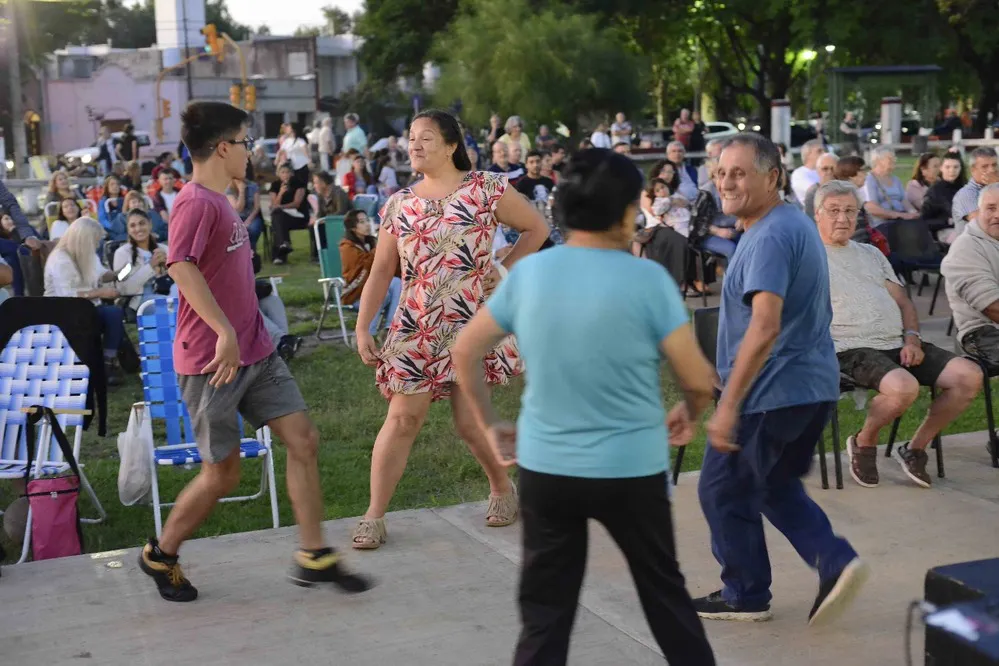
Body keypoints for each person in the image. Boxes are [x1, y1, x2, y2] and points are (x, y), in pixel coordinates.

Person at [451, 148, 717, 666]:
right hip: (632, 469)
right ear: (625, 214)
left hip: (549, 469)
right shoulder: (647, 281)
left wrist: (490, 424)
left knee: (546, 614)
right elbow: (697, 379)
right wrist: (689, 408)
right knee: (665, 598)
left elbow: (465, 349)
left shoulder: (530, 276)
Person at [138, 101, 370, 602]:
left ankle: (314, 555)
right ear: (223, 147)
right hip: (212, 362)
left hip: (257, 352)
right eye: (245, 141)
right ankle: (162, 553)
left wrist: (242, 331)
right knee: (222, 473)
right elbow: (180, 266)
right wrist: (222, 330)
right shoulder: (195, 202)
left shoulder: (221, 200)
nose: (252, 150)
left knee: (303, 439)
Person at [350, 109, 549, 550]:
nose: (414, 145)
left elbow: (537, 227)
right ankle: (373, 515)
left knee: (469, 420)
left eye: (424, 138)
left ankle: (502, 489)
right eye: (410, 138)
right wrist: (364, 326)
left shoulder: (485, 188)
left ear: (451, 145)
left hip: (470, 321)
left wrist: (505, 266)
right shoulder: (399, 203)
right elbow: (382, 270)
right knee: (402, 418)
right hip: (416, 325)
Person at [693, 133, 868, 625]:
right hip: (808, 387)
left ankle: (746, 593)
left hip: (771, 392)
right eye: (721, 172)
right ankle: (832, 560)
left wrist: (729, 405)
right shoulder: (785, 223)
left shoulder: (770, 234)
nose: (726, 181)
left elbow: (766, 324)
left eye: (739, 172)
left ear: (772, 177)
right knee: (770, 485)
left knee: (721, 489)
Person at [816, 180, 981, 488]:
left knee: (969, 376)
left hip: (897, 342)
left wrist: (912, 338)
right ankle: (865, 441)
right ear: (817, 215)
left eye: (851, 211)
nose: (843, 218)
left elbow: (904, 301)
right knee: (904, 387)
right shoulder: (808, 257)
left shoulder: (870, 253)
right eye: (834, 210)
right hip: (850, 348)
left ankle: (915, 447)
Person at [42, 217, 127, 384]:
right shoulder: (61, 259)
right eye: (95, 240)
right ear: (84, 239)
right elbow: (67, 295)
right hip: (62, 313)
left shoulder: (86, 254)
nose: (97, 245)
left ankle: (108, 360)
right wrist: (100, 292)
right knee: (110, 314)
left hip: (85, 309)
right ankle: (102, 364)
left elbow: (102, 275)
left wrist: (120, 273)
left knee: (114, 314)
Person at [339, 209, 400, 335]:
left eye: (367, 220)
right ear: (352, 228)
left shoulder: (371, 242)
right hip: (356, 295)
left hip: (375, 290)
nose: (367, 224)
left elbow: (386, 266)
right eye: (362, 222)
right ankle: (367, 335)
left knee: (397, 283)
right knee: (381, 293)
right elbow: (366, 266)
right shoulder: (347, 248)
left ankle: (390, 328)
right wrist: (380, 248)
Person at [112, 208, 172, 313]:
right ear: (128, 229)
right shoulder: (123, 253)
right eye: (133, 225)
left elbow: (178, 280)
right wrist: (150, 266)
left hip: (167, 294)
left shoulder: (163, 249)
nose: (138, 228)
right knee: (172, 307)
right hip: (139, 301)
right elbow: (124, 289)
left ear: (150, 224)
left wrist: (168, 266)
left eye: (142, 223)